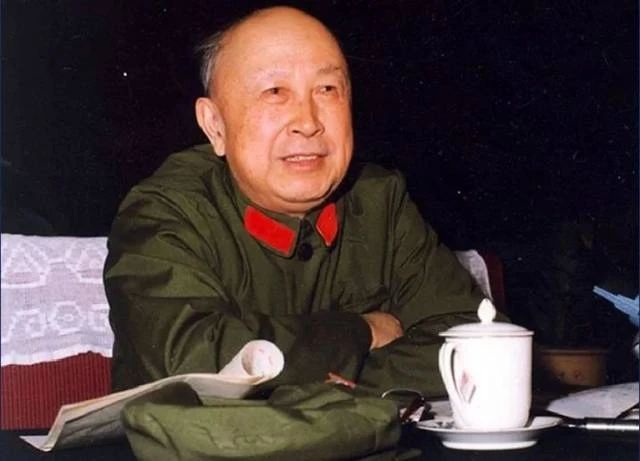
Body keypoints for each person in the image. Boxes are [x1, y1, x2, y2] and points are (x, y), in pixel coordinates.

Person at [104, 6, 483, 397]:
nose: (308, 122)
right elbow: (191, 362)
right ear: (215, 126)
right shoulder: (163, 212)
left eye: (327, 90)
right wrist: (361, 332)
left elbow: (479, 345)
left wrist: (322, 385)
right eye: (275, 92)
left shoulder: (380, 200)